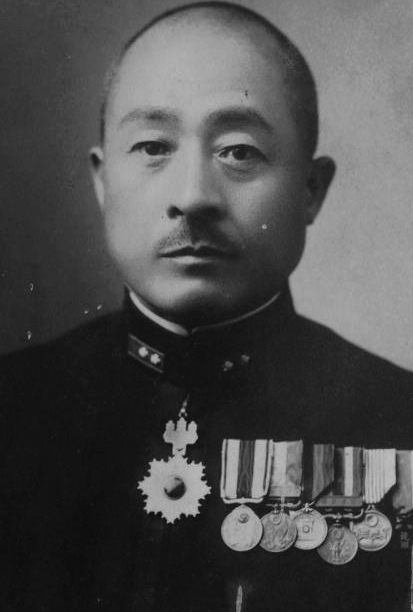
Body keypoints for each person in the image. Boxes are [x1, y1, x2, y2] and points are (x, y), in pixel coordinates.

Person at [1, 2, 413, 611]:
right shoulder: (14, 407)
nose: (193, 196)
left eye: (239, 151)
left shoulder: (398, 421)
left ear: (311, 189)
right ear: (102, 181)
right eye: (152, 145)